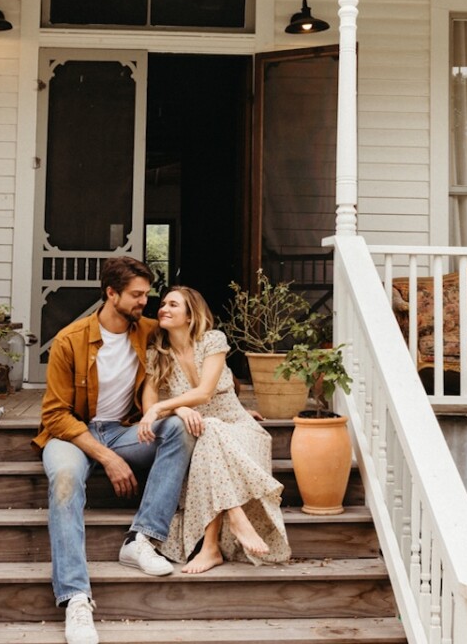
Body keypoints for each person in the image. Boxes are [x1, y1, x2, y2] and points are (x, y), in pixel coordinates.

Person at [32, 257, 196, 644]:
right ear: (111, 294)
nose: (146, 302)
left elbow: (199, 348)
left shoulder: (150, 332)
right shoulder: (70, 340)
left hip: (123, 431)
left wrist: (220, 400)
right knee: (67, 479)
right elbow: (55, 415)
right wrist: (107, 458)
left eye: (146, 294)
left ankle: (141, 540)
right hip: (70, 436)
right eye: (137, 295)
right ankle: (75, 598)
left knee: (177, 429)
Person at [138, 286, 291, 574]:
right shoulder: (158, 353)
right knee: (208, 429)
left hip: (238, 428)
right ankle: (232, 520)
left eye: (173, 305)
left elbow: (205, 393)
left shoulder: (212, 340)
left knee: (211, 428)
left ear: (190, 315)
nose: (163, 309)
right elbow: (149, 398)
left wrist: (163, 407)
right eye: (163, 304)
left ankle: (213, 545)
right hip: (203, 434)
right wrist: (177, 409)